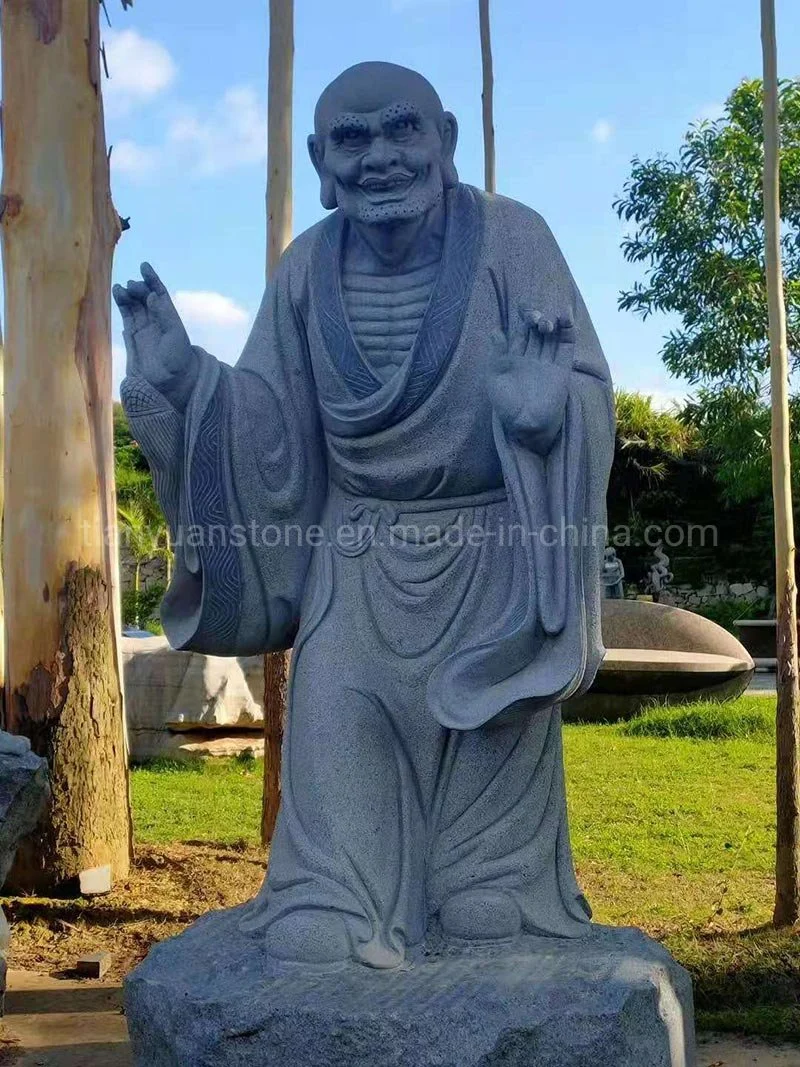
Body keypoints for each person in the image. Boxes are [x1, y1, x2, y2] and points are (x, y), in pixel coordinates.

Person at [116, 61, 615, 970]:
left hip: (495, 556)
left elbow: (581, 384)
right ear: (319, 158)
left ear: (447, 142)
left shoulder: (513, 240)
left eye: (402, 130)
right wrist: (190, 383)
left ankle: (492, 870)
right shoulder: (306, 266)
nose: (380, 156)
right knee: (334, 788)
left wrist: (549, 420)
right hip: (357, 563)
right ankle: (336, 886)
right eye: (353, 138)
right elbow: (270, 423)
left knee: (485, 901)